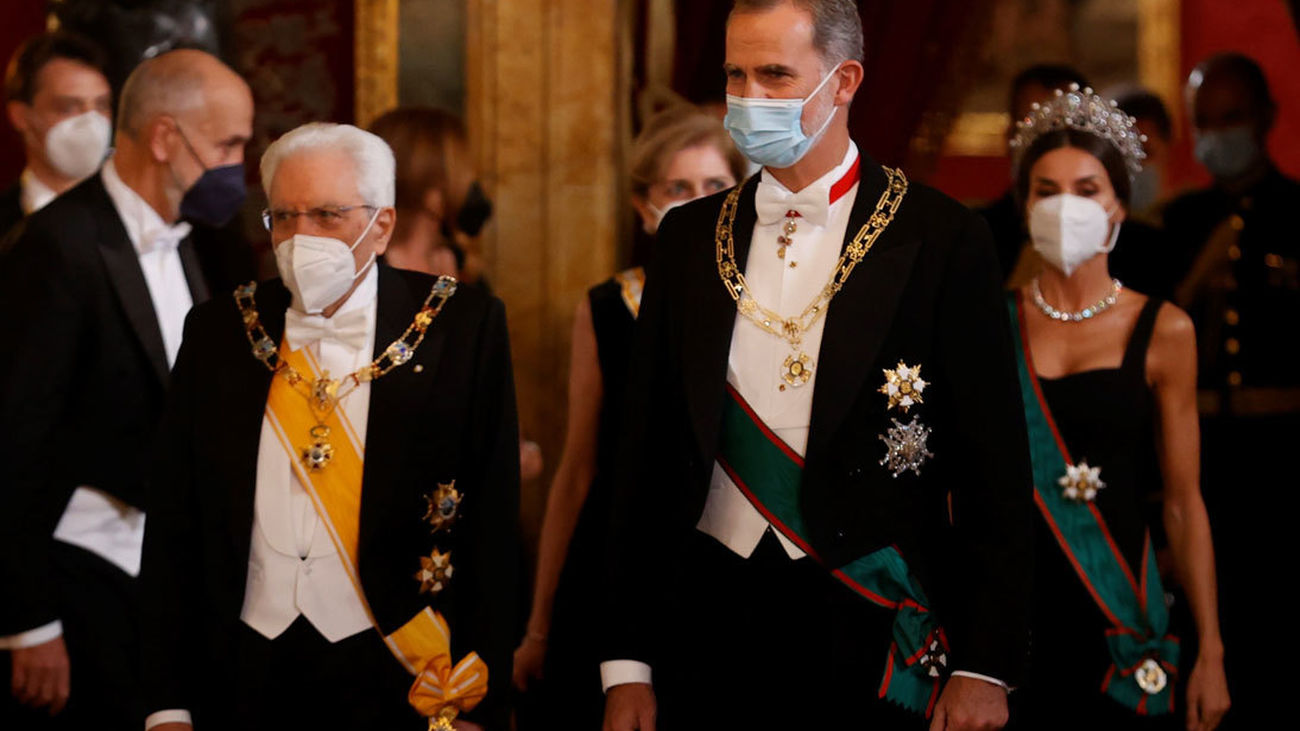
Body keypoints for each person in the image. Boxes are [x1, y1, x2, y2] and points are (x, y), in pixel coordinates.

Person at [602, 2, 1035, 729]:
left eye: (775, 74)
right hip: (706, 621)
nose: (748, 97)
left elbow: (994, 469)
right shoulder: (686, 238)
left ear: (844, 81)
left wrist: (984, 663)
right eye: (736, 74)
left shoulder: (941, 238)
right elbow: (638, 459)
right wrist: (625, 663)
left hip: (868, 624)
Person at [138, 122, 520, 731]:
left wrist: (484, 700)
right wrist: (165, 702)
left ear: (383, 225)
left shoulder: (461, 325)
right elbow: (173, 523)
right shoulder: (219, 329)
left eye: (326, 215)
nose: (300, 238)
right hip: (240, 665)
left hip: (398, 667)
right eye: (283, 217)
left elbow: (495, 524)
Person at [0, 48, 254, 730]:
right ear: (167, 137)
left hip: (167, 578)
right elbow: (11, 444)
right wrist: (27, 623)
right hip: (78, 576)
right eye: (228, 144)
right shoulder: (56, 247)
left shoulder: (206, 241)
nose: (238, 166)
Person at [1004, 83, 1230, 731]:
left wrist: (1210, 648)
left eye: (1086, 189)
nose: (1065, 207)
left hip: (1122, 619)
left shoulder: (1165, 331)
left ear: (1120, 207)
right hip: (1016, 623)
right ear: (1023, 206)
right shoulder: (992, 326)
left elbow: (1185, 503)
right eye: (1046, 191)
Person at [511, 106, 744, 727]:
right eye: (678, 188)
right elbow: (578, 468)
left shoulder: (773, 311)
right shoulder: (609, 306)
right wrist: (538, 625)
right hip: (617, 558)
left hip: (728, 563)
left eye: (715, 187)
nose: (698, 202)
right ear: (645, 208)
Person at [1163, 52, 1300, 727]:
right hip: (1205, 454)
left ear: (1267, 117)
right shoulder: (1174, 224)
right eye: (1206, 122)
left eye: (1233, 119)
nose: (1219, 134)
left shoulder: (1298, 214)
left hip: (1284, 457)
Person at [369, 106, 543, 483]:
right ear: (434, 189)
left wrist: (514, 443)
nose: (473, 184)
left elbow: (492, 375)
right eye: (465, 170)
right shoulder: (368, 274)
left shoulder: (464, 268)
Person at [977, 64, 1090, 284]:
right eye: (1033, 130)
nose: (1053, 146)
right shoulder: (978, 236)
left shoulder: (1143, 248)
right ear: (1010, 136)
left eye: (1062, 128)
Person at [1, 31, 111, 235]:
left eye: (101, 106)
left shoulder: (134, 220)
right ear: (20, 116)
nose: (90, 121)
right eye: (69, 107)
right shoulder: (7, 224)